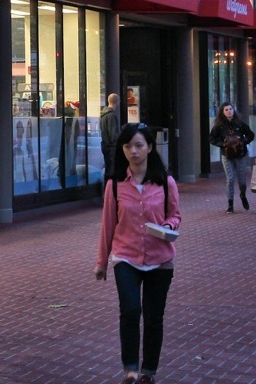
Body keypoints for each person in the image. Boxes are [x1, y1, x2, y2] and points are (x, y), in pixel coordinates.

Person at [95, 123, 181, 384]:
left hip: (160, 259)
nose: (133, 151)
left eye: (138, 145)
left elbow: (174, 215)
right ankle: (130, 370)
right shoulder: (114, 185)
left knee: (154, 317)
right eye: (127, 146)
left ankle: (148, 371)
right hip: (126, 257)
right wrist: (101, 262)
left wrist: (168, 226)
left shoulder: (166, 183)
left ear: (150, 148)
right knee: (130, 311)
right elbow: (108, 224)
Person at [209, 102, 255, 213]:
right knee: (230, 178)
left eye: (230, 109)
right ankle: (230, 204)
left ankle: (243, 195)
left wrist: (243, 141)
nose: (229, 111)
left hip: (240, 155)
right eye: (226, 110)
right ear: (222, 112)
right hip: (226, 155)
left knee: (241, 179)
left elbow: (251, 135)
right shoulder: (219, 126)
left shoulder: (240, 124)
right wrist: (223, 144)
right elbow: (211, 138)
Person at [100, 92, 120, 179]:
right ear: (117, 101)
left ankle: (107, 190)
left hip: (105, 146)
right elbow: (113, 135)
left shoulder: (103, 115)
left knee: (108, 170)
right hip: (111, 148)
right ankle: (110, 191)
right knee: (112, 172)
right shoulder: (111, 116)